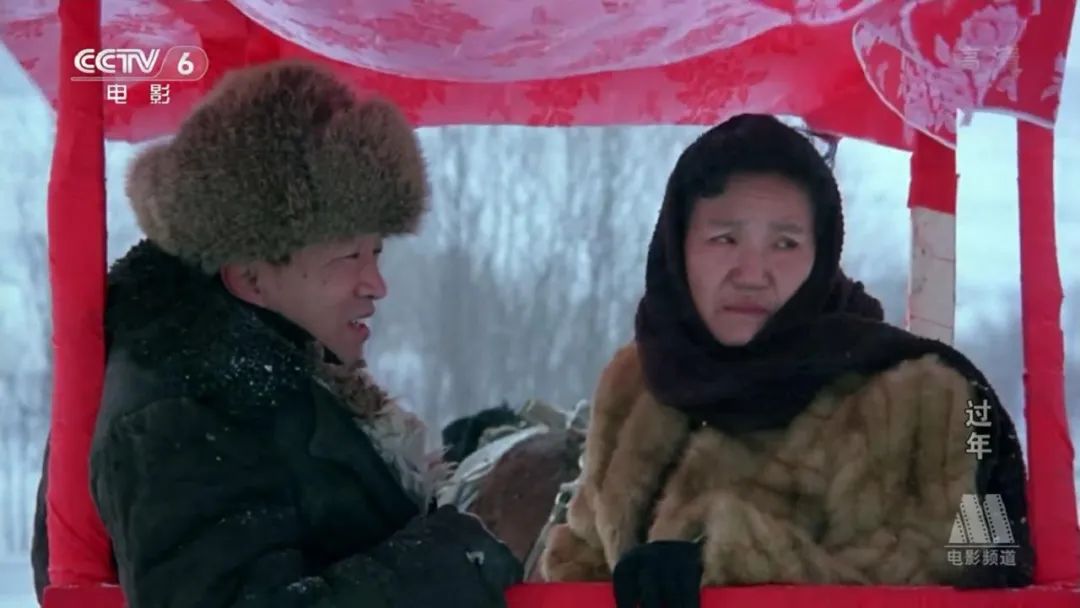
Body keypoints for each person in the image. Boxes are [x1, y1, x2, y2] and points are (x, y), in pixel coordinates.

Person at [45, 59, 522, 608]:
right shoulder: (178, 420)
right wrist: (460, 557)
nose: (376, 284)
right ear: (251, 278)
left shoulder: (260, 382)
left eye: (376, 253)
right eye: (348, 257)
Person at [539, 114, 1032, 607]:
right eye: (725, 239)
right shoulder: (637, 384)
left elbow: (958, 577)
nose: (753, 273)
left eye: (785, 244)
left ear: (822, 254)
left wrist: (729, 562)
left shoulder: (917, 400)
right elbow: (583, 561)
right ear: (677, 247)